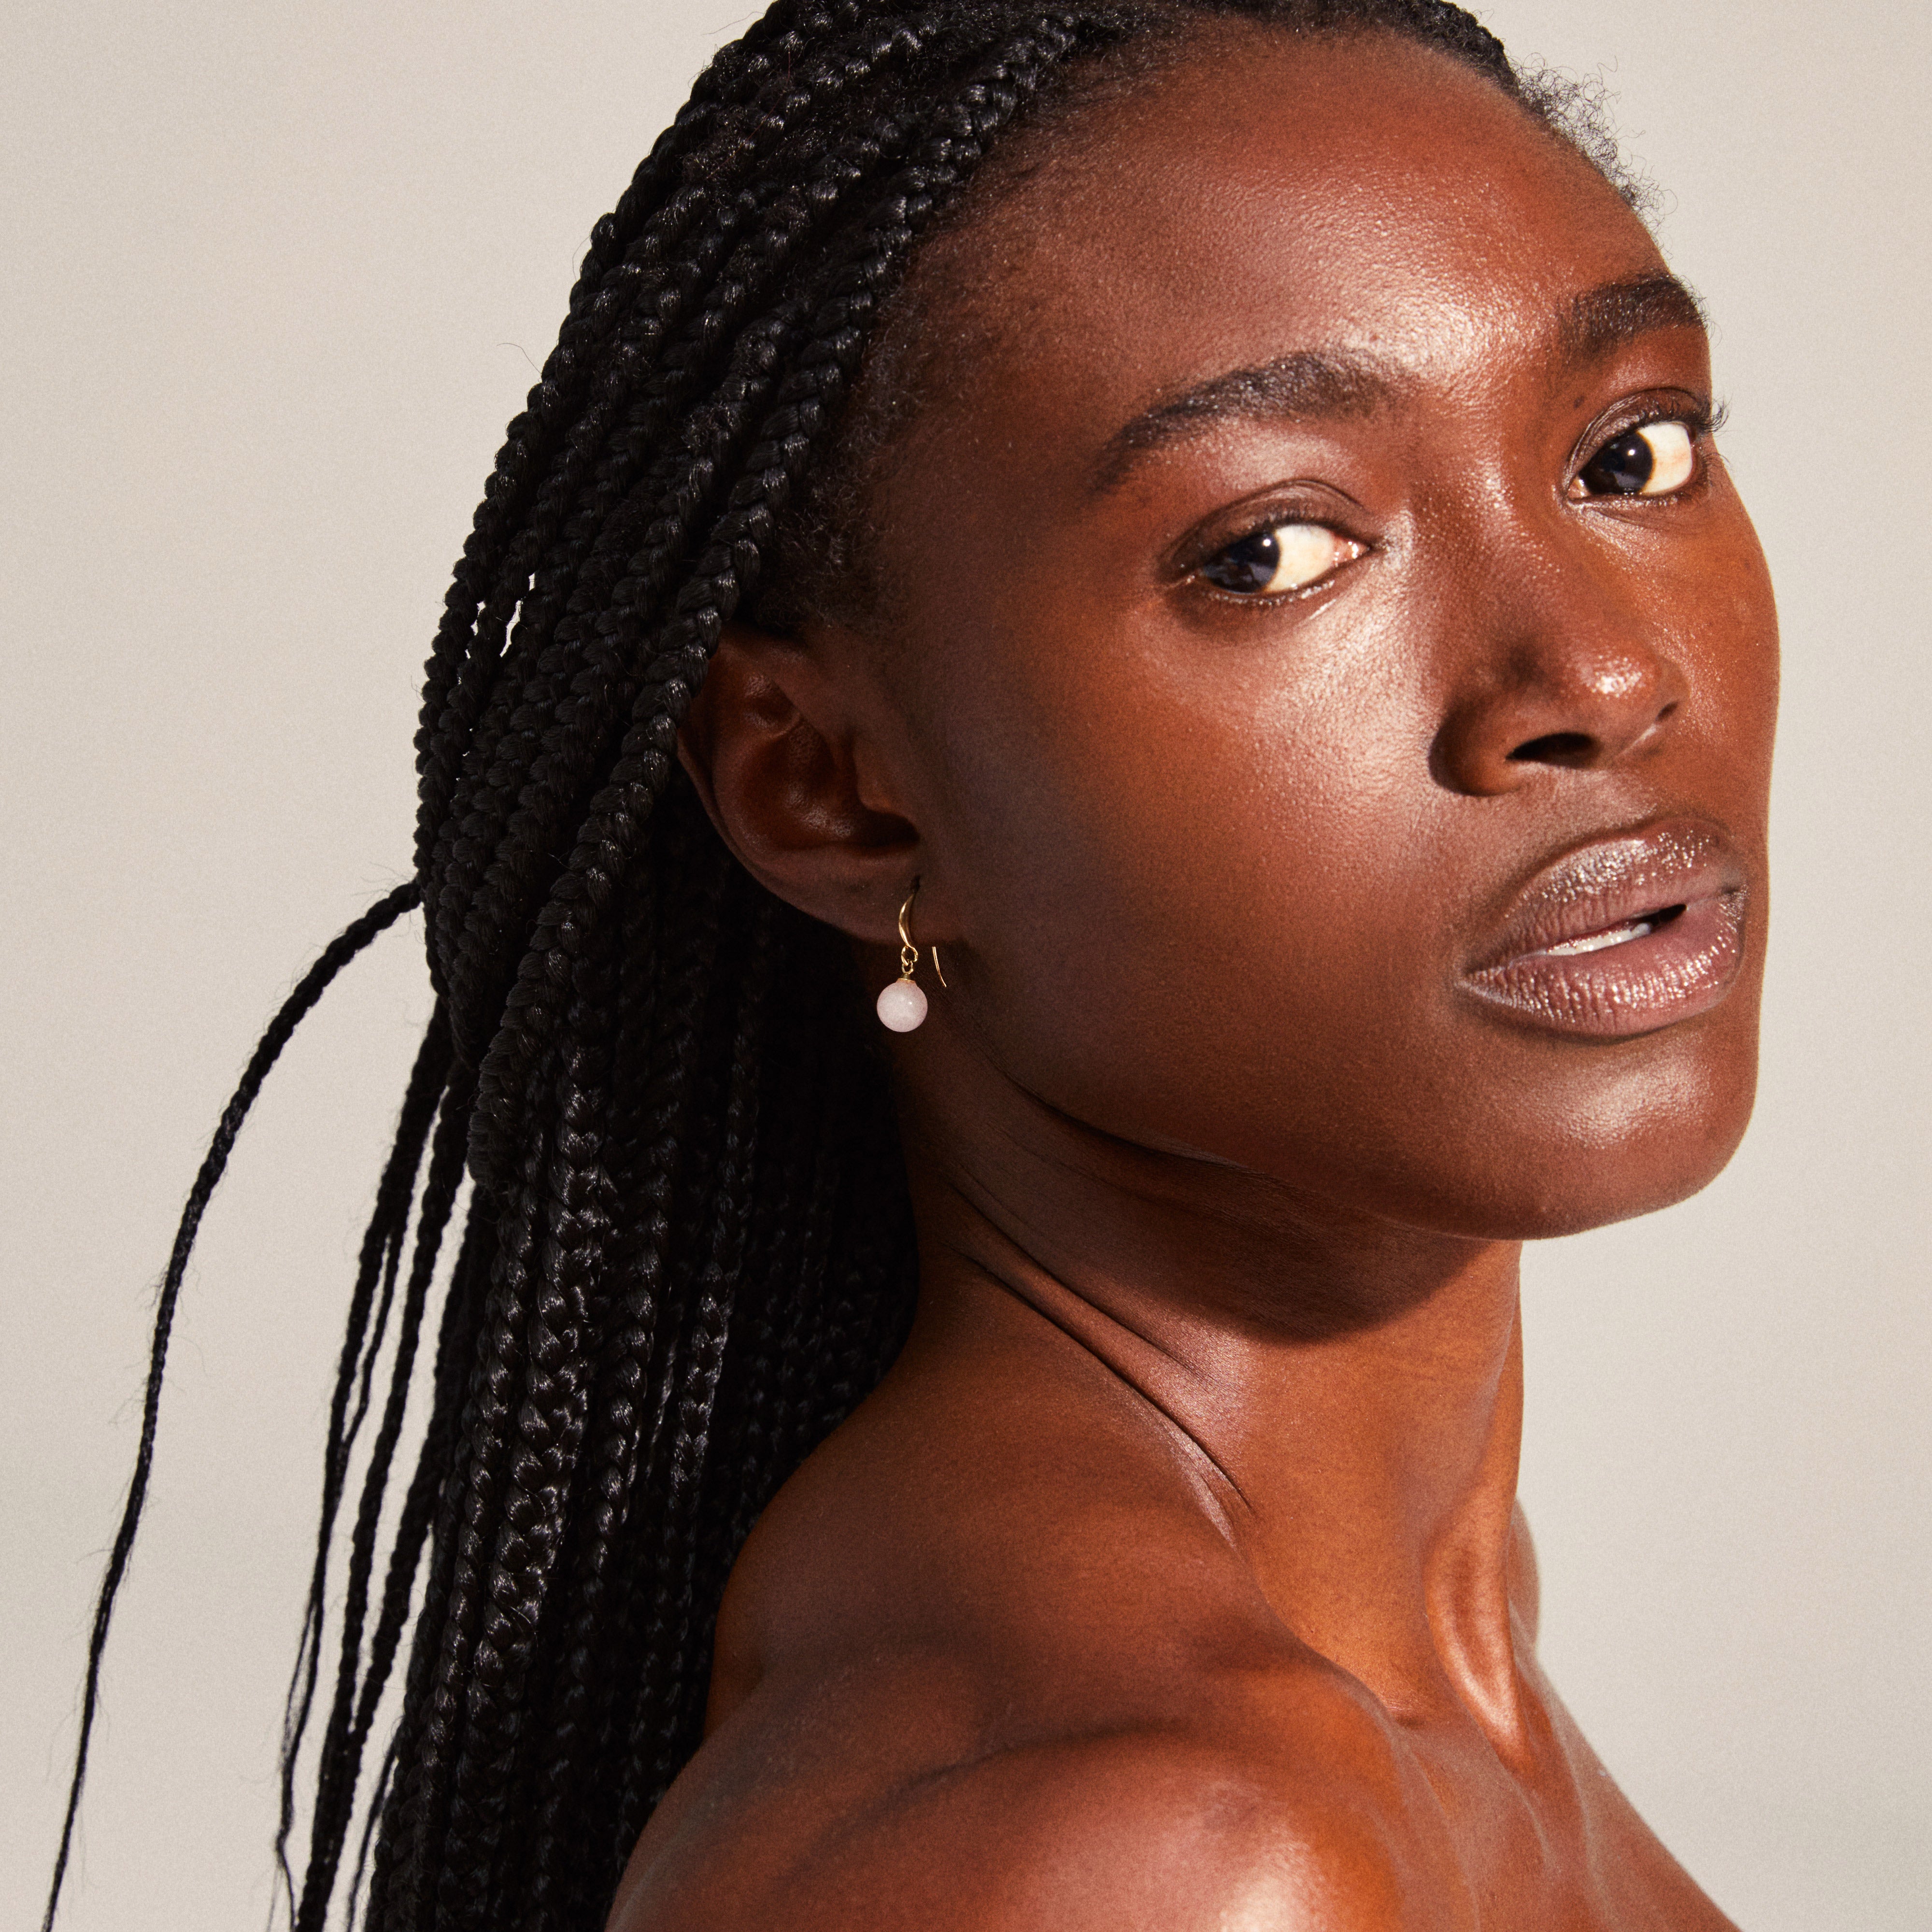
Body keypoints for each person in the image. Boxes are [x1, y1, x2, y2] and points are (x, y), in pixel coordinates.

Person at [47, 1, 1778, 1926]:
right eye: (1273, 550)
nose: (1603, 675)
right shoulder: (1139, 1856)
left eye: (1629, 450)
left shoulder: (1389, 1674)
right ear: (836, 793)